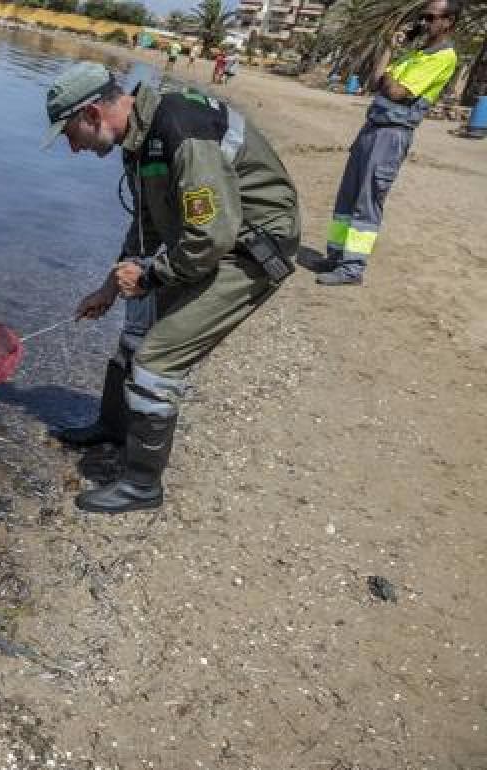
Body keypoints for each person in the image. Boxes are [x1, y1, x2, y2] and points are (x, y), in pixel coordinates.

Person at [41, 61, 301, 513]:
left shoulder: (181, 129)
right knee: (135, 326)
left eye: (69, 134)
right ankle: (112, 426)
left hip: (252, 248)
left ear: (90, 115)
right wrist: (110, 286)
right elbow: (147, 227)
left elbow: (212, 236)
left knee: (159, 357)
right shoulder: (138, 138)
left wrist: (151, 276)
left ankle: (142, 484)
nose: (72, 147)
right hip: (210, 238)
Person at [306, 0, 460, 286]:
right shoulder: (417, 52)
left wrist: (388, 80)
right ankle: (335, 256)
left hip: (392, 134)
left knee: (368, 201)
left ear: (448, 21)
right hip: (372, 127)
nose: (423, 22)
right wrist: (390, 47)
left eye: (430, 17)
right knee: (348, 195)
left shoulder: (444, 57)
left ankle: (352, 268)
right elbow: (377, 79)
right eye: (421, 16)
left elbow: (398, 92)